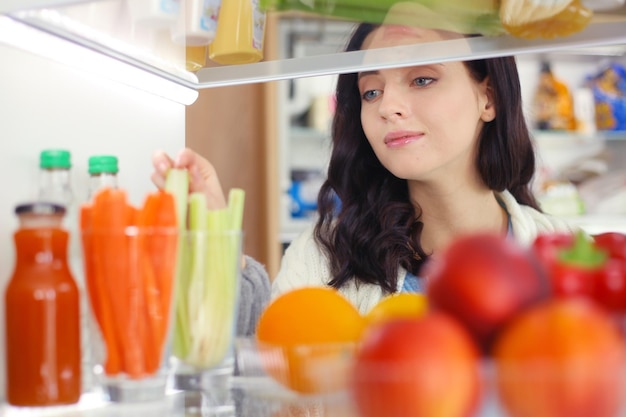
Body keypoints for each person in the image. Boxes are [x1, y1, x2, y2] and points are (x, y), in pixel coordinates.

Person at [151, 22, 575, 327]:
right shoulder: (323, 257)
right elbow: (267, 380)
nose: (387, 106)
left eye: (422, 79)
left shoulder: (567, 257)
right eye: (371, 90)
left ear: (489, 98)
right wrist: (216, 240)